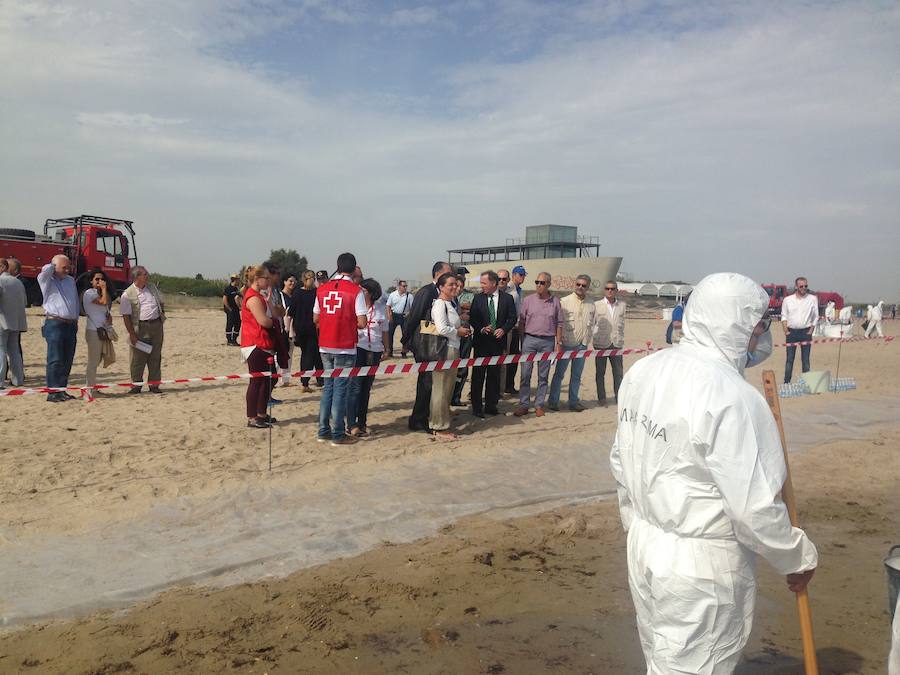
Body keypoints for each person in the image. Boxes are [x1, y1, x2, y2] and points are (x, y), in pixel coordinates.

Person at [609, 272, 817, 674]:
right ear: (736, 324)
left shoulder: (645, 371)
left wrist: (637, 526)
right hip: (702, 565)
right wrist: (796, 555)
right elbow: (752, 509)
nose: (761, 336)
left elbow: (620, 463)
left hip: (647, 547)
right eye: (758, 326)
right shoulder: (732, 396)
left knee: (663, 661)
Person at [314, 252, 367, 446]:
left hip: (325, 344)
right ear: (354, 269)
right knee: (340, 390)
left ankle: (323, 430)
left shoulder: (322, 289)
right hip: (344, 346)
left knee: (328, 387)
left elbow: (316, 318)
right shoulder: (355, 291)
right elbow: (362, 321)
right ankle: (337, 433)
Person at [402, 261, 453, 432]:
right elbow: (414, 318)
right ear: (438, 274)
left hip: (436, 345)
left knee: (433, 383)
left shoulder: (442, 294)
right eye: (448, 273)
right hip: (424, 345)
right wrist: (405, 341)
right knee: (426, 383)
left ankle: (426, 416)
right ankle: (418, 419)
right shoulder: (426, 292)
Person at [469, 270, 517, 418]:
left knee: (494, 376)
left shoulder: (508, 299)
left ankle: (491, 405)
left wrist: (503, 329)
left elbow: (512, 318)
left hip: (498, 343)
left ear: (494, 283)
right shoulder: (477, 298)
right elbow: (473, 318)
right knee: (478, 376)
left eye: (484, 283)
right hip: (481, 343)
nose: (481, 286)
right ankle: (477, 407)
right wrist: (482, 328)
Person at [430, 273, 472, 439]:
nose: (455, 287)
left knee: (447, 389)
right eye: (450, 285)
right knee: (441, 389)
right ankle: (439, 427)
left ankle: (441, 422)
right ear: (441, 287)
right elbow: (441, 328)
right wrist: (458, 331)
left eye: (456, 284)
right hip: (444, 350)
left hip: (452, 348)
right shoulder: (440, 304)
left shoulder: (450, 303)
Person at [514, 272, 562, 417]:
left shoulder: (555, 302)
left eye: (542, 283)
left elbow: (559, 323)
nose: (538, 285)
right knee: (525, 374)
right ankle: (524, 404)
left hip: (547, 341)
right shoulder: (528, 300)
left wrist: (558, 343)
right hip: (529, 339)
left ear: (548, 284)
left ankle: (539, 404)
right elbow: (521, 321)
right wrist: (523, 339)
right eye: (537, 282)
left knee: (543, 375)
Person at [548, 274, 595, 412]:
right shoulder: (564, 301)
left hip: (582, 345)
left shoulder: (592, 304)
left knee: (576, 375)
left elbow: (592, 324)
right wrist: (558, 342)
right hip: (566, 344)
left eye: (584, 285)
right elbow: (557, 323)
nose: (580, 287)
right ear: (575, 284)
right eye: (578, 284)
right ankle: (553, 402)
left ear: (588, 287)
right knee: (559, 374)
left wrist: (587, 341)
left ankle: (573, 402)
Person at [347, 278, 386, 438]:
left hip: (375, 350)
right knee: (355, 388)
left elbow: (385, 330)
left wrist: (387, 349)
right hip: (358, 349)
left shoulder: (380, 309)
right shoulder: (355, 307)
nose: (358, 291)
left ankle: (362, 422)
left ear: (370, 293)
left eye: (362, 289)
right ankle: (351, 424)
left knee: (366, 389)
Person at [38, 255, 80, 402]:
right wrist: (53, 266)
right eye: (64, 267)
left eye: (69, 267)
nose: (67, 270)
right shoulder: (47, 280)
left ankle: (62, 390)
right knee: (55, 359)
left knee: (67, 359)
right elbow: (45, 271)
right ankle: (53, 392)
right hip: (55, 323)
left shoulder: (70, 281)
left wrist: (76, 319)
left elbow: (73, 300)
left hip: (70, 324)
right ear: (54, 267)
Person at [240, 265, 277, 428]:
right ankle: (252, 416)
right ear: (257, 279)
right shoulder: (253, 298)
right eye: (266, 278)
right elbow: (264, 321)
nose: (269, 281)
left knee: (269, 379)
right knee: (257, 381)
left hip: (263, 343)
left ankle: (261, 413)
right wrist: (274, 323)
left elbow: (277, 313)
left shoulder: (261, 296)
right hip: (255, 343)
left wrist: (270, 303)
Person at [121, 265, 166, 394]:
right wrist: (132, 334)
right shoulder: (128, 294)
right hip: (140, 328)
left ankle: (154, 385)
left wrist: (161, 313)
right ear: (137, 277)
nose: (147, 276)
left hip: (156, 326)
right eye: (144, 274)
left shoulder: (152, 288)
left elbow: (161, 302)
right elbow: (126, 316)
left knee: (155, 356)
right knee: (138, 358)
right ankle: (136, 385)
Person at [288, 270, 324, 392]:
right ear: (304, 280)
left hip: (313, 327)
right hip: (306, 329)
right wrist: (290, 330)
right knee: (308, 354)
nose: (312, 280)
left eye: (313, 278)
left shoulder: (316, 292)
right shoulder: (299, 294)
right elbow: (291, 313)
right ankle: (305, 382)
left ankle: (319, 379)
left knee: (315, 354)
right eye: (310, 278)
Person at [82, 269, 116, 394]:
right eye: (97, 279)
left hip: (102, 330)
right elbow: (103, 301)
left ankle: (93, 386)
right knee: (93, 361)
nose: (100, 281)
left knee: (98, 359)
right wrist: (103, 288)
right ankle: (89, 389)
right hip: (93, 331)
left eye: (102, 279)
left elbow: (105, 304)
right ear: (91, 281)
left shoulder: (101, 292)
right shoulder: (89, 293)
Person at [594, 280, 627, 407]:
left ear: (616, 290)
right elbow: (592, 324)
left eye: (613, 289)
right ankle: (602, 398)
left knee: (618, 372)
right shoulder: (597, 305)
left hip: (617, 343)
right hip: (601, 344)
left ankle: (619, 397)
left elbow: (621, 325)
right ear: (604, 290)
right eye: (607, 288)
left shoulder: (622, 306)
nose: (610, 291)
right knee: (600, 373)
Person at [781, 276, 818, 384]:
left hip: (806, 332)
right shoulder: (788, 300)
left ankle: (806, 383)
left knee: (805, 359)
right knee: (789, 359)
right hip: (791, 332)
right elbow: (784, 316)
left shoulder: (812, 299)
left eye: (806, 286)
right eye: (801, 286)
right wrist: (786, 331)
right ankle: (787, 382)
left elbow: (815, 316)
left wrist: (811, 330)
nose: (804, 288)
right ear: (796, 287)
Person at [0, 258, 27, 388]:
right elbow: (25, 302)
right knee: (14, 351)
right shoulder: (18, 282)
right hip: (16, 321)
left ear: (2, 267)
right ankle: (18, 379)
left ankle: (0, 381)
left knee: (1, 350)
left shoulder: (1, 281)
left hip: (2, 321)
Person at [450, 268, 475, 407]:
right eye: (456, 285)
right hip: (452, 338)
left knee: (463, 368)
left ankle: (456, 397)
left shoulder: (470, 296)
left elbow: (473, 308)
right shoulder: (447, 300)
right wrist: (462, 312)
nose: (458, 289)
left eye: (461, 286)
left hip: (465, 336)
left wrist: (466, 309)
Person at [504, 265, 526, 395]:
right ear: (514, 275)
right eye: (520, 274)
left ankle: (509, 384)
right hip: (509, 327)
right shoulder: (508, 289)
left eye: (523, 275)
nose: (522, 277)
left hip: (517, 327)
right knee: (505, 357)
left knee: (514, 356)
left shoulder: (519, 290)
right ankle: (505, 385)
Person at [385, 281, 413, 358]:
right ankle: (389, 351)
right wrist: (389, 315)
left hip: (404, 317)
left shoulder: (409, 296)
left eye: (406, 286)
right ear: (399, 286)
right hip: (394, 316)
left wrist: (408, 315)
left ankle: (404, 351)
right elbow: (388, 306)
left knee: (405, 335)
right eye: (403, 286)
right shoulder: (393, 295)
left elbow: (412, 308)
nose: (405, 287)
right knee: (390, 334)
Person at [222, 274, 242, 346]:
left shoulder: (236, 289)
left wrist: (240, 306)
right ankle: (229, 340)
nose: (239, 281)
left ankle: (234, 339)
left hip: (236, 309)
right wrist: (229, 308)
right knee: (230, 324)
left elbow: (238, 298)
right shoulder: (228, 288)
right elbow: (224, 299)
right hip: (230, 309)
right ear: (235, 280)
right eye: (238, 279)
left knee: (238, 323)